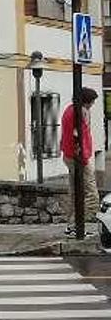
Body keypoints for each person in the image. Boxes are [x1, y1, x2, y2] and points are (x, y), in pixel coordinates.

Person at [61, 87, 100, 236]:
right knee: (92, 195)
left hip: (69, 155)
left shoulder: (68, 110)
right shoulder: (80, 112)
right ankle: (76, 224)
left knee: (75, 192)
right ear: (87, 101)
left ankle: (71, 225)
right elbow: (79, 136)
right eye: (92, 102)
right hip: (78, 157)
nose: (93, 105)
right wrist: (83, 158)